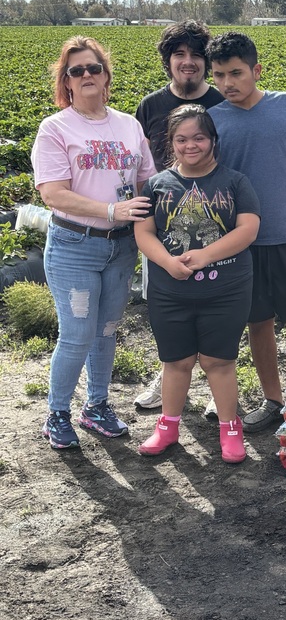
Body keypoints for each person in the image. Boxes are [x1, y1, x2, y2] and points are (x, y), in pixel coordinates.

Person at [31, 37, 155, 450]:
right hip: (75, 244)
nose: (86, 75)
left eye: (93, 68)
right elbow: (53, 193)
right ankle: (57, 413)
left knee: (106, 330)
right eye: (76, 71)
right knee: (77, 334)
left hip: (121, 247)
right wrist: (109, 211)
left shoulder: (128, 125)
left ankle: (96, 406)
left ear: (106, 75)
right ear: (66, 82)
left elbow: (145, 182)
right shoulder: (56, 128)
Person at [208, 32, 286, 430]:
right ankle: (274, 400)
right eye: (220, 75)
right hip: (244, 245)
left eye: (236, 73)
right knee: (257, 322)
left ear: (256, 71)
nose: (228, 83)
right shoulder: (215, 120)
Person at [134, 105, 260, 462]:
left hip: (226, 289)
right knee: (176, 362)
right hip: (169, 290)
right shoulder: (156, 186)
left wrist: (206, 255)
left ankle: (229, 428)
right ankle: (167, 427)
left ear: (213, 140)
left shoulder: (235, 182)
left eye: (199, 138)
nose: (191, 146)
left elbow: (248, 228)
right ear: (170, 143)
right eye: (182, 139)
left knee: (219, 362)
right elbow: (143, 232)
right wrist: (167, 262)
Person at [133, 20, 225, 413]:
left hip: (216, 220)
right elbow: (140, 165)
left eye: (195, 55)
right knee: (165, 300)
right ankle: (170, 374)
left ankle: (216, 380)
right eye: (179, 55)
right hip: (162, 224)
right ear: (168, 61)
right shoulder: (150, 105)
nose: (187, 62)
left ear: (206, 61)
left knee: (216, 299)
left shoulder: (222, 103)